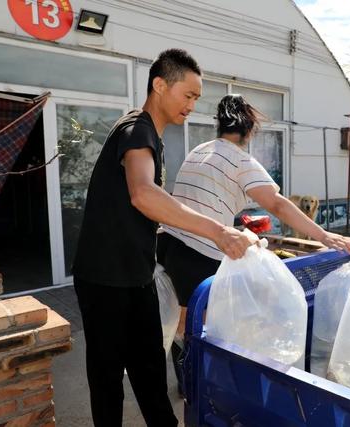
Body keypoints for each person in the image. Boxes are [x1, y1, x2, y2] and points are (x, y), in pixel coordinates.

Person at [72, 50, 255, 427]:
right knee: (107, 377)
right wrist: (217, 230)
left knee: (150, 367)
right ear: (159, 84)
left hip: (136, 275)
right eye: (187, 95)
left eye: (196, 99)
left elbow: (135, 205)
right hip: (104, 277)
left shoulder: (153, 136)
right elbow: (143, 193)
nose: (192, 105)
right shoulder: (136, 128)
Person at [157, 94, 350, 390]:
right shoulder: (239, 159)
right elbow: (277, 204)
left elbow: (201, 198)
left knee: (183, 321)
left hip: (168, 244)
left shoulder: (200, 150)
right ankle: (206, 391)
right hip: (198, 252)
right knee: (204, 328)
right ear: (249, 131)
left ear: (219, 126)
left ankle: (187, 385)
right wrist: (324, 236)